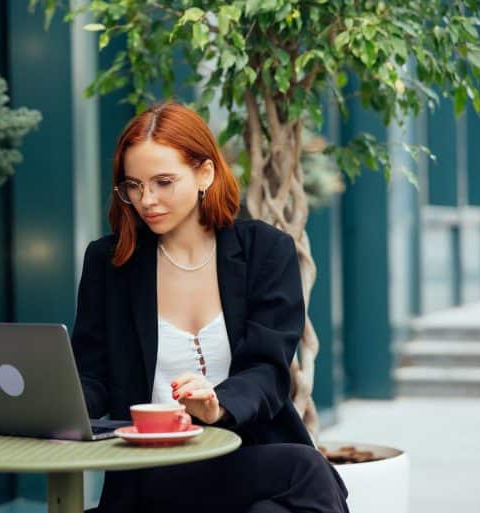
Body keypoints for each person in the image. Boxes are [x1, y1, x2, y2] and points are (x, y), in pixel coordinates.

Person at [71, 102, 350, 513]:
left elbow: (268, 371)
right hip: (150, 468)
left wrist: (216, 404)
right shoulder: (110, 262)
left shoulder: (266, 252)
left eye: (163, 182)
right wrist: (56, 404)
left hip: (247, 457)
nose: (146, 200)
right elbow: (91, 376)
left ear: (205, 173)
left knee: (287, 493)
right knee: (307, 472)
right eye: (133, 185)